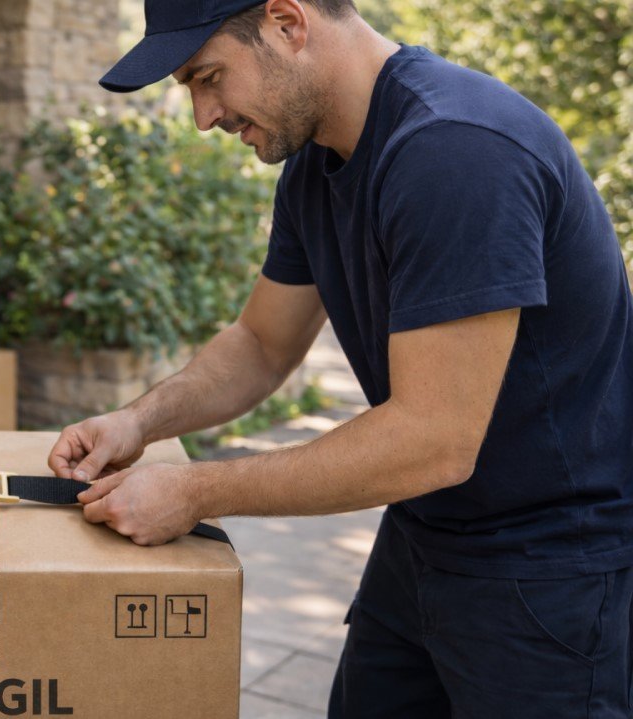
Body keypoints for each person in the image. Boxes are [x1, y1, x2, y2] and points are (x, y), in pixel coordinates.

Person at [47, 0, 633, 715]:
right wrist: (140, 422)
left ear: (288, 23)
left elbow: (434, 440)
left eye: (209, 78)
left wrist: (195, 490)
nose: (204, 116)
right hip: (421, 541)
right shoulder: (316, 166)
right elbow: (261, 344)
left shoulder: (456, 151)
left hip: (547, 573)